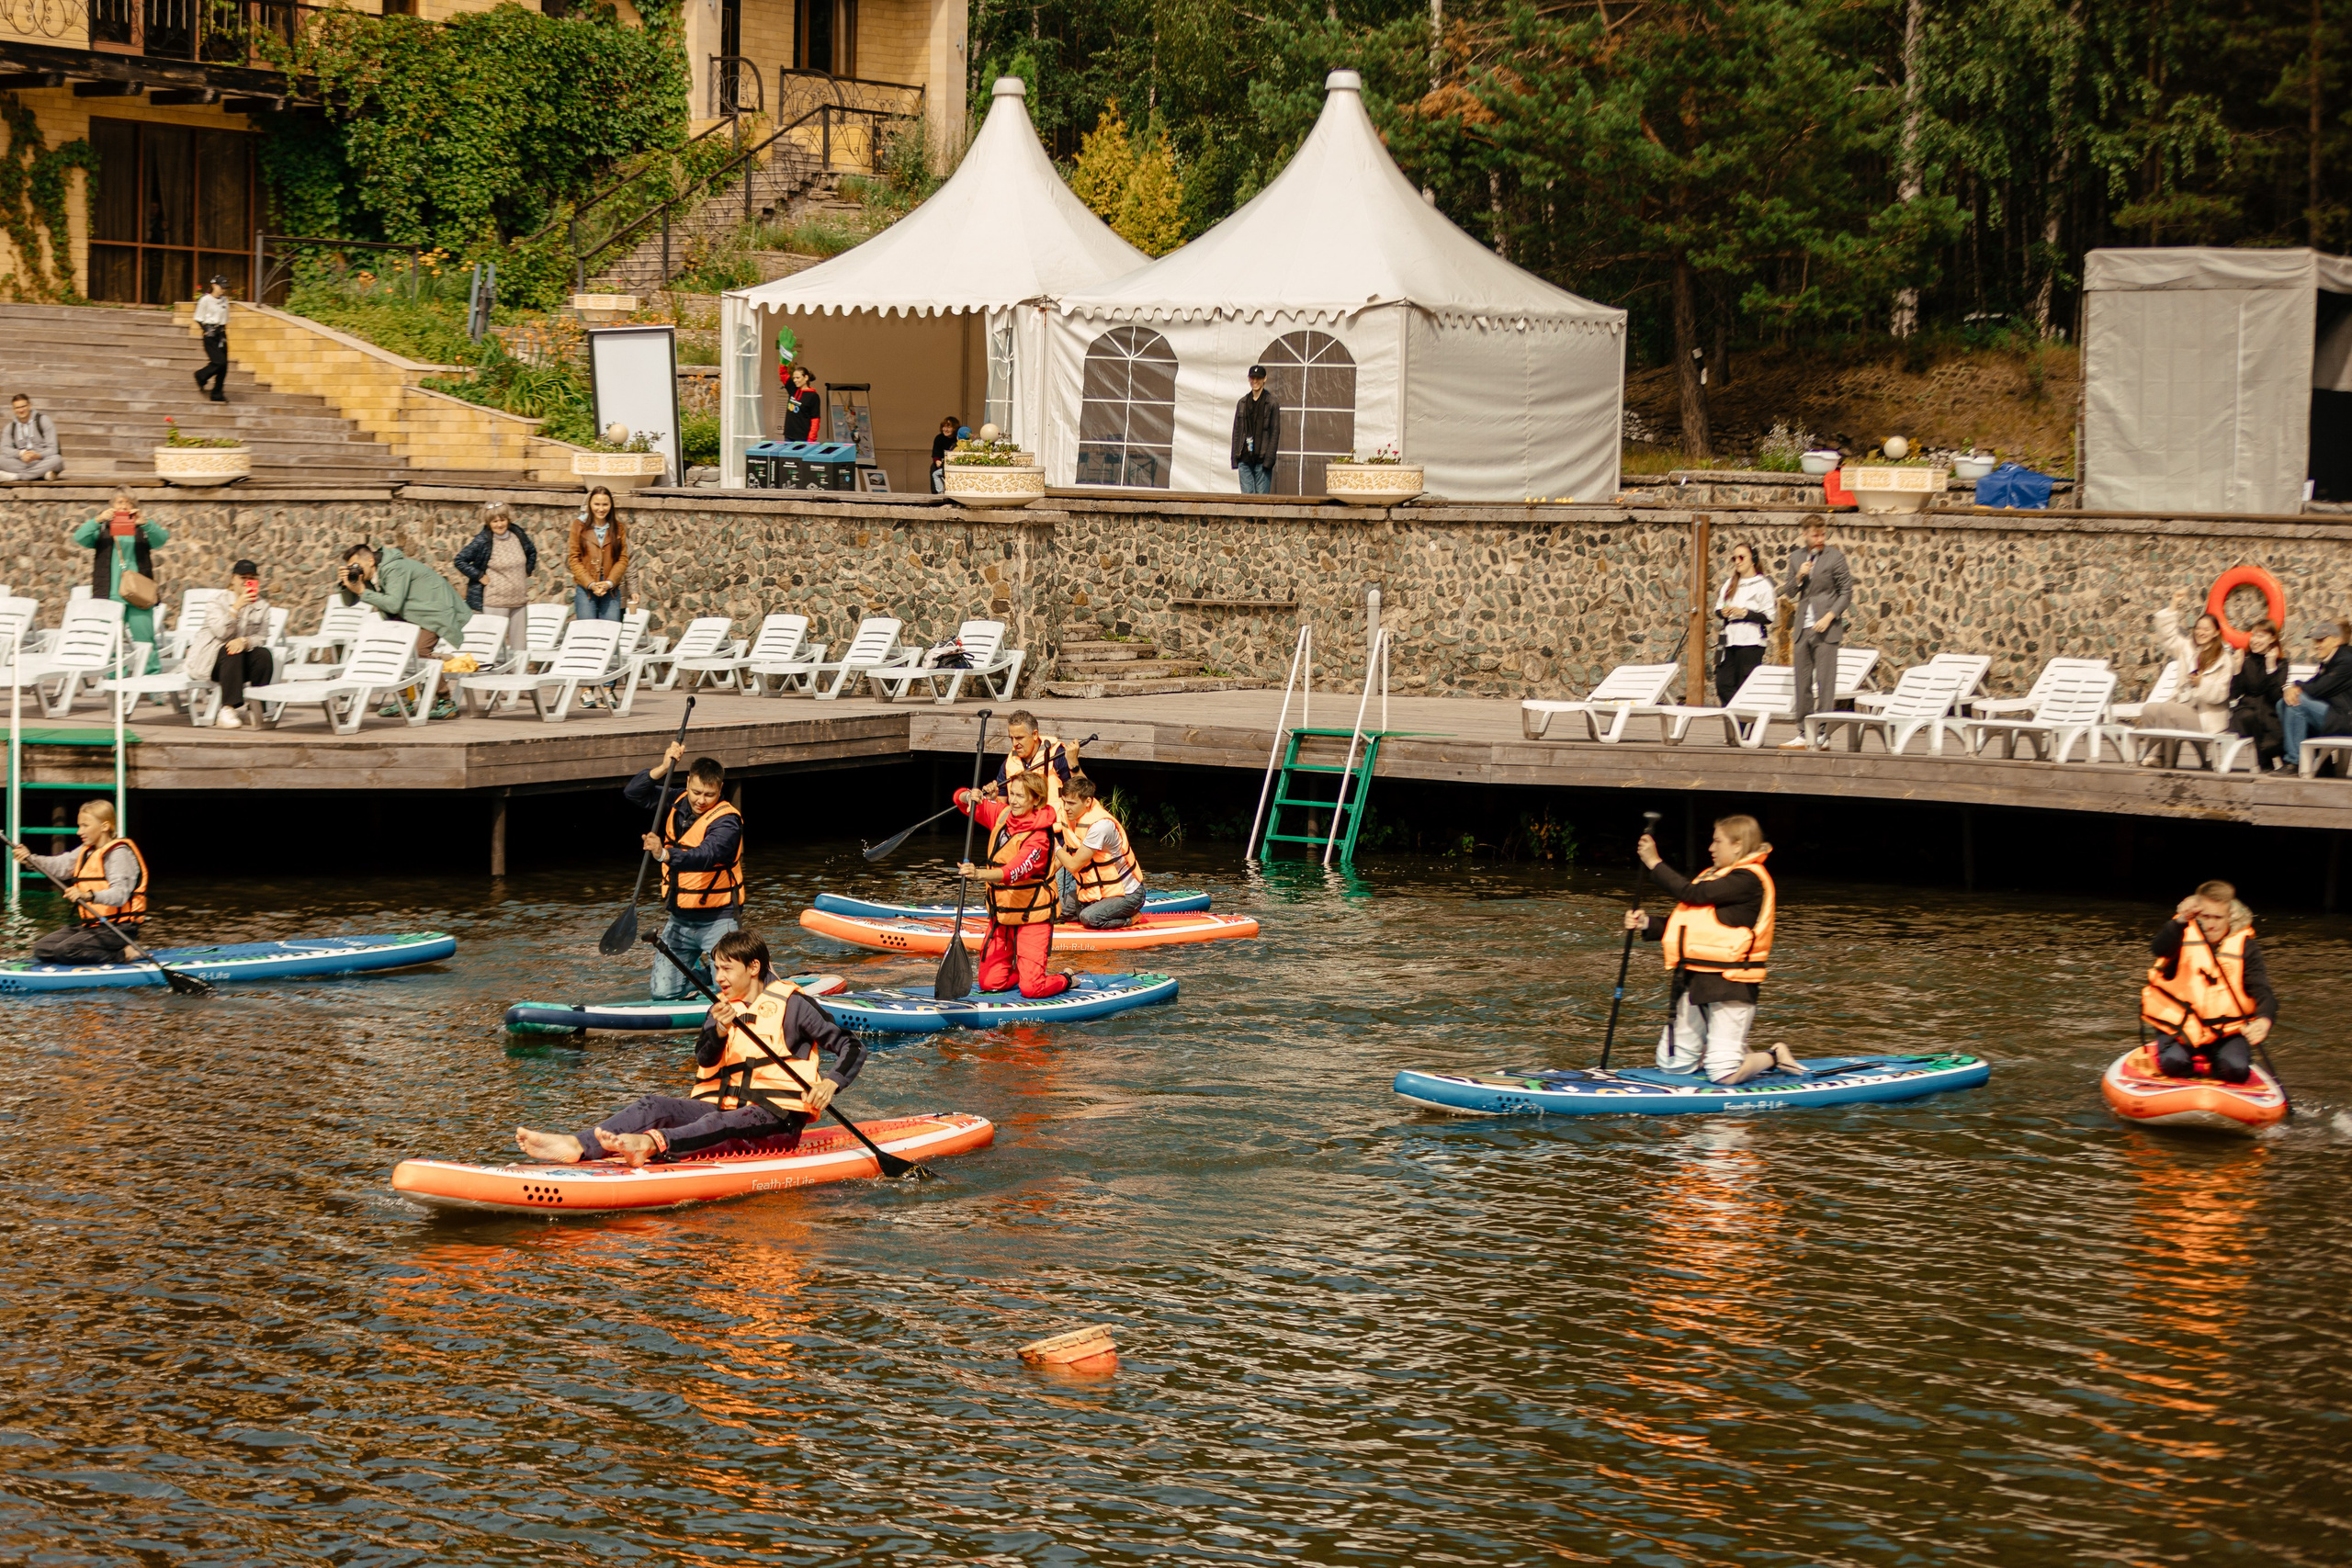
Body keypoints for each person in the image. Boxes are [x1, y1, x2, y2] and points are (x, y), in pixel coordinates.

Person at [514, 929, 865, 1167]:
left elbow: (850, 1045)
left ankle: (650, 1145)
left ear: (754, 967)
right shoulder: (722, 1008)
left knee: (719, 1121)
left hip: (774, 1122)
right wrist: (721, 1030)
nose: (720, 978)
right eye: (716, 969)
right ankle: (578, 1145)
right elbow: (705, 1059)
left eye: (727, 969)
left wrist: (830, 1082)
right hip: (725, 1111)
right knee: (654, 1104)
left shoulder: (794, 1004)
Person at [1624, 814, 1803, 1084]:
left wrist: (1653, 862)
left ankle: (1773, 1055)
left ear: (1738, 845)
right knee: (1672, 1066)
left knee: (1724, 1075)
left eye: (1717, 841)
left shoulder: (1748, 879)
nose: (1711, 848)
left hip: (1731, 984)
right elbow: (1689, 928)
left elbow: (1692, 894)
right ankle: (1730, 1050)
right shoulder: (1715, 877)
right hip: (1694, 981)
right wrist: (1646, 923)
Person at [628, 740, 743, 1000]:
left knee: (731, 995)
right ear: (689, 782)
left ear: (720, 790)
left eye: (709, 795)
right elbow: (634, 793)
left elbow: (706, 856)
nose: (701, 800)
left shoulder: (728, 821)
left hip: (719, 919)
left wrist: (663, 854)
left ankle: (731, 979)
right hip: (679, 919)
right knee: (662, 994)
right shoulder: (676, 799)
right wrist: (663, 767)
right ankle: (701, 978)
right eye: (696, 792)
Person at [2141, 880, 2275, 1084]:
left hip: (2226, 1031)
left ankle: (2219, 1062)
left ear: (2229, 916)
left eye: (2218, 917)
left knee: (2236, 1069)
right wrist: (2180, 921)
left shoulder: (2246, 947)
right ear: (2197, 913)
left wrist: (2264, 1021)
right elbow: (2159, 948)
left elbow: (2263, 990)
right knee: (2173, 1063)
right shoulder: (2181, 932)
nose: (2211, 924)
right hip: (2181, 1027)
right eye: (2205, 916)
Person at [954, 770, 1073, 998]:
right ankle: (1026, 970)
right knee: (991, 983)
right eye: (1012, 794)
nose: (1014, 801)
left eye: (1020, 796)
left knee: (1032, 989)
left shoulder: (1039, 838)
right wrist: (970, 797)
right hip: (1002, 916)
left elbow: (1013, 871)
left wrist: (978, 874)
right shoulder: (1002, 814)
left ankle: (1066, 978)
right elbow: (958, 798)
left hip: (1032, 918)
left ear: (1036, 800)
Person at [9, 799, 150, 965]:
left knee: (66, 950)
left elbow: (119, 895)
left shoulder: (119, 854)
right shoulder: (86, 851)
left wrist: (87, 895)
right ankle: (90, 952)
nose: (79, 831)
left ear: (105, 826)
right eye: (79, 826)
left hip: (119, 929)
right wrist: (29, 859)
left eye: (85, 826)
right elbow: (59, 866)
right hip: (92, 925)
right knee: (43, 948)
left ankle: (124, 954)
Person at [72, 492, 168, 672]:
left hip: (138, 594)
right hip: (110, 593)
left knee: (146, 639)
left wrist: (146, 523)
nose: (124, 506)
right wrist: (98, 519)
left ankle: (151, 679)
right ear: (112, 505)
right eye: (120, 502)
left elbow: (161, 540)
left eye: (128, 502)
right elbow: (79, 537)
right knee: (112, 641)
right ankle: (116, 682)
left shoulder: (142, 528)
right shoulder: (103, 529)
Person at [1778, 514, 1851, 749]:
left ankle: (1823, 734)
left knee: (1825, 683)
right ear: (1804, 534)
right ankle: (1803, 731)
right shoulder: (1796, 557)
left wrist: (1830, 616)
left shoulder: (1835, 557)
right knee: (1802, 683)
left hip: (1826, 629)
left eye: (1823, 534)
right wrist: (1799, 575)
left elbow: (1846, 592)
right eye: (1815, 535)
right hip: (1802, 628)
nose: (1820, 538)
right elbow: (1788, 592)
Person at [2134, 592, 2236, 747]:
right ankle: (2159, 754)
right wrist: (2174, 603)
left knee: (2168, 709)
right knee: (2149, 710)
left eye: (2206, 629)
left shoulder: (2224, 659)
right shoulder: (2187, 648)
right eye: (2198, 628)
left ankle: (2162, 757)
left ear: (2216, 633)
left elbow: (2221, 694)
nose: (2201, 632)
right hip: (2184, 705)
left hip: (2207, 717)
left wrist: (2202, 683)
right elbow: (2168, 636)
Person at [184, 558, 274, 729]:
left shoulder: (262, 606)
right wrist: (236, 607)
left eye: (252, 578)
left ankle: (255, 708)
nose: (247, 582)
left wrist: (245, 641)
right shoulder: (217, 601)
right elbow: (221, 632)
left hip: (238, 664)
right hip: (211, 662)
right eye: (243, 578)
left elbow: (262, 637)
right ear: (233, 579)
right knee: (231, 650)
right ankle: (228, 709)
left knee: (263, 654)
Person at [337, 540, 470, 653]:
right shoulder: (368, 574)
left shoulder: (394, 568)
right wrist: (346, 584)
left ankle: (437, 676)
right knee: (391, 654)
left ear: (370, 561)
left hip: (432, 614)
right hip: (411, 617)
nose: (355, 570)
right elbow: (349, 602)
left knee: (419, 654)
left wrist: (361, 591)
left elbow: (393, 605)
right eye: (350, 568)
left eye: (356, 566)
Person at [1054, 774, 1147, 929]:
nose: (1065, 808)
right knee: (1050, 909)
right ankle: (1087, 909)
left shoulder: (1100, 826)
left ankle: (1131, 919)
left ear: (1088, 802)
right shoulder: (1072, 817)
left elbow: (1074, 865)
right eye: (1064, 802)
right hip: (1094, 894)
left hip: (1127, 895)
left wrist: (1055, 846)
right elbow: (1068, 850)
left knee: (1088, 918)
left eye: (1071, 803)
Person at [452, 501, 537, 657]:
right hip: (496, 601)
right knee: (494, 646)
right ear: (489, 523)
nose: (499, 524)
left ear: (508, 520)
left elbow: (531, 551)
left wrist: (527, 570)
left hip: (519, 599)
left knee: (520, 647)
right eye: (495, 521)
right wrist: (479, 576)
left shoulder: (517, 534)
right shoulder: (483, 540)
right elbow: (460, 560)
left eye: (502, 520)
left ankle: (518, 677)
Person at [2279, 619, 2352, 769]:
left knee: (2296, 702)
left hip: (2345, 719)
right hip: (2334, 714)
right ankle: (2320, 764)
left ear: (2336, 641)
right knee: (2282, 703)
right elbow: (2313, 685)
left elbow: (2317, 689)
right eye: (2315, 641)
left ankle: (2295, 762)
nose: (2316, 645)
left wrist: (2295, 686)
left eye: (2321, 640)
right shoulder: (2331, 660)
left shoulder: (2346, 661)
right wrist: (2292, 688)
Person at [1713, 539, 1776, 704]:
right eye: (1735, 558)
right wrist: (1724, 612)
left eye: (1742, 557)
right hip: (1727, 639)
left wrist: (1745, 613)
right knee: (1722, 683)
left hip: (1751, 641)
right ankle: (1734, 718)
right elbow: (1719, 607)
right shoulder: (1730, 583)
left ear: (1752, 559)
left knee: (1745, 685)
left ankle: (1744, 725)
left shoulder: (1763, 584)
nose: (1738, 562)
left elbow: (1769, 616)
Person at [2228, 617, 2288, 771]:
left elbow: (2275, 696)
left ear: (2272, 638)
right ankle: (2267, 761)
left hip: (2269, 711)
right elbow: (2234, 694)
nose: (2254, 640)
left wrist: (2270, 668)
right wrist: (2237, 670)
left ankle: (2268, 761)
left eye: (2260, 636)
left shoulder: (2281, 664)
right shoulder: (2246, 660)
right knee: (2248, 717)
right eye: (2253, 635)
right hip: (2247, 711)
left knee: (2272, 728)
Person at [569, 486, 628, 625]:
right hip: (587, 588)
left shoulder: (618, 527)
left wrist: (609, 582)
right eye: (597, 504)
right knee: (587, 632)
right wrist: (590, 583)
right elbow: (574, 558)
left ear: (611, 506)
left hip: (610, 587)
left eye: (605, 504)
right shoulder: (579, 526)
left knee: (610, 633)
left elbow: (622, 558)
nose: (601, 509)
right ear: (590, 504)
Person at [1230, 365, 1280, 495]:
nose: (1255, 381)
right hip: (1244, 458)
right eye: (1252, 378)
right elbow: (1237, 431)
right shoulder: (1242, 403)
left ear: (1265, 379)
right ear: (1249, 379)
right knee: (1247, 500)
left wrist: (1269, 459)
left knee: (1261, 502)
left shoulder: (1272, 403)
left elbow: (1275, 432)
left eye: (1258, 378)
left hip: (1262, 459)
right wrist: (1235, 457)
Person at [1, 392, 62, 481]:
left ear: (29, 405)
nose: (21, 410)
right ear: (13, 410)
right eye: (17, 408)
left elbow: (53, 449)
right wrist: (21, 454)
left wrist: (38, 455)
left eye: (23, 406)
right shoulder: (10, 427)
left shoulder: (44, 420)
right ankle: (41, 474)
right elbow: (5, 449)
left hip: (43, 460)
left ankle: (16, 477)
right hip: (22, 462)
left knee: (57, 459)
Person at [192, 276, 231, 402]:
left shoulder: (225, 301)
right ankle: (200, 375)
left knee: (224, 367)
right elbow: (198, 317)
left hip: (222, 334)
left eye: (225, 288)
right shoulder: (205, 300)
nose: (223, 290)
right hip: (210, 334)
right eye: (221, 287)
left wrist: (223, 335)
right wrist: (207, 330)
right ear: (214, 285)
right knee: (219, 362)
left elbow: (225, 319)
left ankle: (217, 394)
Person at [783, 365, 822, 443]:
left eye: (798, 378)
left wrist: (811, 439)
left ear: (806, 378)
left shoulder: (813, 396)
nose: (795, 380)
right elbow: (783, 374)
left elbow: (815, 419)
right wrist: (784, 362)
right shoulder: (793, 389)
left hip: (803, 437)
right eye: (794, 378)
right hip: (789, 436)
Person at [931, 415, 962, 493]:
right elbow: (935, 453)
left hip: (955, 464)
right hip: (942, 463)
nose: (945, 429)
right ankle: (936, 493)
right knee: (933, 468)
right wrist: (937, 461)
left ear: (954, 428)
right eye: (944, 427)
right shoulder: (939, 438)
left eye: (948, 427)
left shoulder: (958, 439)